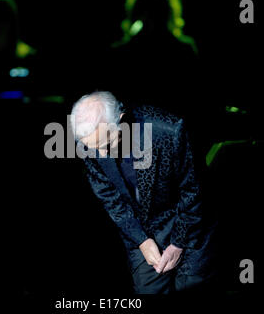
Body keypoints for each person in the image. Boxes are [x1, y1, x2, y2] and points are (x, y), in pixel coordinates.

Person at [70, 91, 216, 294]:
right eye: (94, 149)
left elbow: (193, 192)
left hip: (190, 225)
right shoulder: (87, 141)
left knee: (191, 288)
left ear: (120, 121)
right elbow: (109, 198)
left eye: (105, 145)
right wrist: (142, 241)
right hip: (143, 228)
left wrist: (179, 243)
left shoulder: (169, 130)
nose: (100, 155)